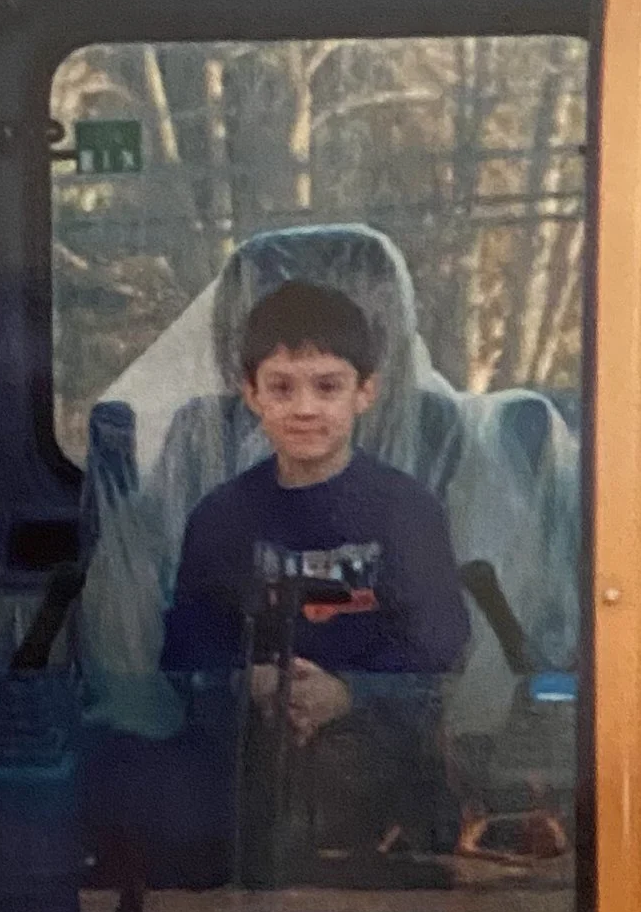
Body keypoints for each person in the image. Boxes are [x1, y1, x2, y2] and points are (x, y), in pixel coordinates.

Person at [160, 275, 470, 732]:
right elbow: (186, 650)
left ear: (365, 392)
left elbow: (440, 651)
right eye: (282, 388)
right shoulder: (219, 518)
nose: (304, 408)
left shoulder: (408, 512)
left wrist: (348, 693)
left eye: (327, 387)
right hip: (251, 748)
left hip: (380, 751)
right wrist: (250, 682)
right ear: (252, 393)